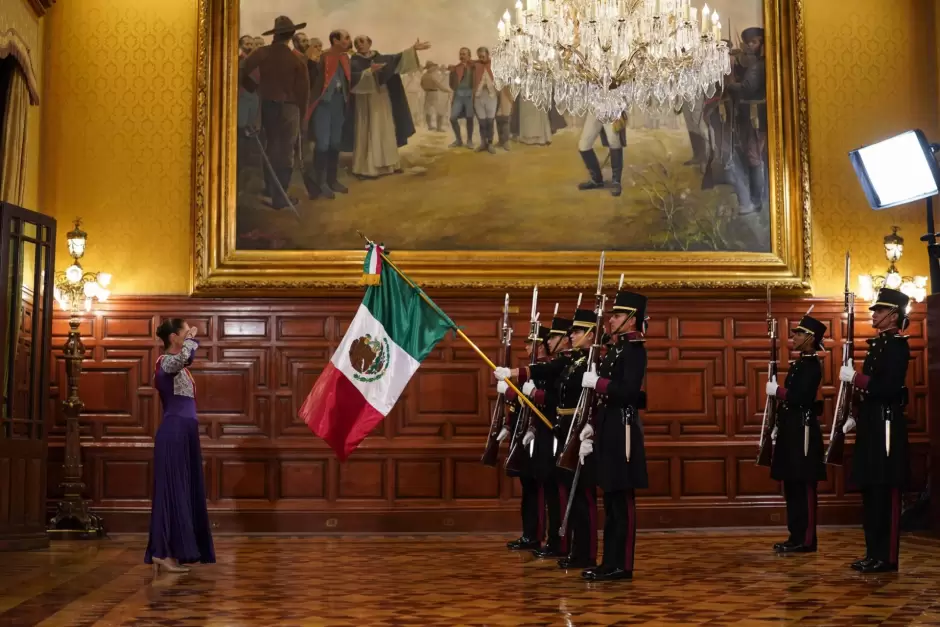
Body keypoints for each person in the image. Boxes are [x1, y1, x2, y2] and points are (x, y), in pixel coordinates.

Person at [840, 287, 911, 573]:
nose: (875, 314)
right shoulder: (879, 344)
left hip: (887, 426)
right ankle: (873, 552)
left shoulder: (896, 346)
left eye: (880, 311)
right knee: (871, 492)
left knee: (886, 491)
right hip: (872, 424)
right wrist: (855, 410)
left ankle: (887, 556)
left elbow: (889, 388)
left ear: (893, 315)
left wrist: (857, 378)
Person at [580, 290, 648, 581]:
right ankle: (609, 562)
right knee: (609, 498)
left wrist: (600, 383)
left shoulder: (634, 350)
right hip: (608, 427)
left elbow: (631, 392)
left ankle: (624, 564)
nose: (611, 320)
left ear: (632, 321)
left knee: (622, 500)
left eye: (617, 315)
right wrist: (592, 425)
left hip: (624, 430)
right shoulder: (617, 351)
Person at [495, 314, 572, 558]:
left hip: (552, 432)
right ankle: (535, 535)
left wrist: (528, 392)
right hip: (533, 433)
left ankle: (552, 539)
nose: (527, 347)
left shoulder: (557, 367)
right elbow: (523, 404)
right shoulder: (545, 368)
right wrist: (510, 416)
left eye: (532, 343)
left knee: (549, 487)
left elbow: (553, 402)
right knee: (534, 485)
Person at [145, 319, 215, 574]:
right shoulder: (164, 362)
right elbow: (184, 358)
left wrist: (189, 340)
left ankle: (178, 551)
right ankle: (162, 552)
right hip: (173, 433)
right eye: (185, 332)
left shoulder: (180, 367)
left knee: (184, 490)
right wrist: (191, 341)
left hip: (186, 434)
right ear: (174, 337)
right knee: (171, 491)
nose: (191, 335)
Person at [765, 314, 827, 553]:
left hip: (804, 431)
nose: (795, 337)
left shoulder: (811, 365)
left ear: (810, 338)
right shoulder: (800, 364)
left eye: (799, 334)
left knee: (804, 485)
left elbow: (801, 398)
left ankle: (807, 539)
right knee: (791, 485)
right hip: (792, 429)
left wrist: (778, 391)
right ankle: (795, 534)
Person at [497, 324, 551, 551]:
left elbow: (541, 402)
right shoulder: (531, 369)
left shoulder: (546, 369)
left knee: (536, 488)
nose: (528, 346)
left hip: (537, 434)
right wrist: (507, 426)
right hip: (522, 433)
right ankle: (529, 533)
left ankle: (536, 534)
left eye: (532, 343)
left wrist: (510, 392)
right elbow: (518, 406)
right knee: (527, 487)